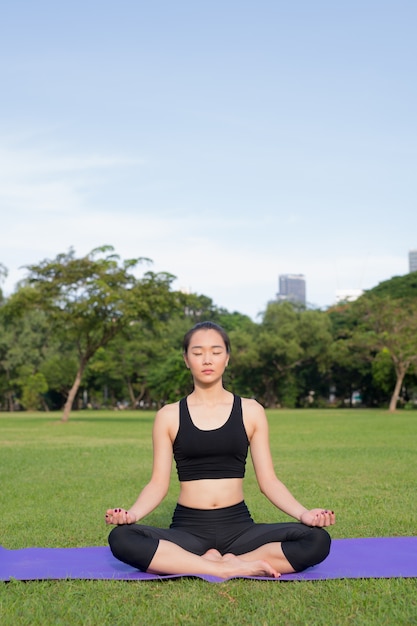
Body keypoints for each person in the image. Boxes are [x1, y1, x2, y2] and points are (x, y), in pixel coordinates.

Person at [106, 321, 335, 579]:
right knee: (122, 538)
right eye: (197, 352)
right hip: (188, 529)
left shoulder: (251, 411)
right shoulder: (168, 416)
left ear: (226, 358)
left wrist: (304, 513)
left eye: (215, 352)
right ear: (186, 359)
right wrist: (132, 514)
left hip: (239, 527)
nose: (207, 359)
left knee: (316, 540)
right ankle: (227, 567)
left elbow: (269, 481)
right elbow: (158, 484)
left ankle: (214, 562)